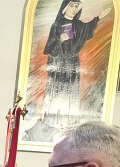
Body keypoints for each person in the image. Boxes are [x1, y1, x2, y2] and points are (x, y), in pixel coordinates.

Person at [42, 1, 112, 130]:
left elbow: (88, 28)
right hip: (59, 64)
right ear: (65, 7)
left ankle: (69, 122)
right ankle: (54, 121)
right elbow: (50, 48)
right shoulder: (57, 25)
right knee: (59, 90)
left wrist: (99, 17)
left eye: (76, 6)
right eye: (71, 6)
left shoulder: (78, 25)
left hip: (72, 63)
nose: (74, 9)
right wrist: (59, 41)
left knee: (71, 90)